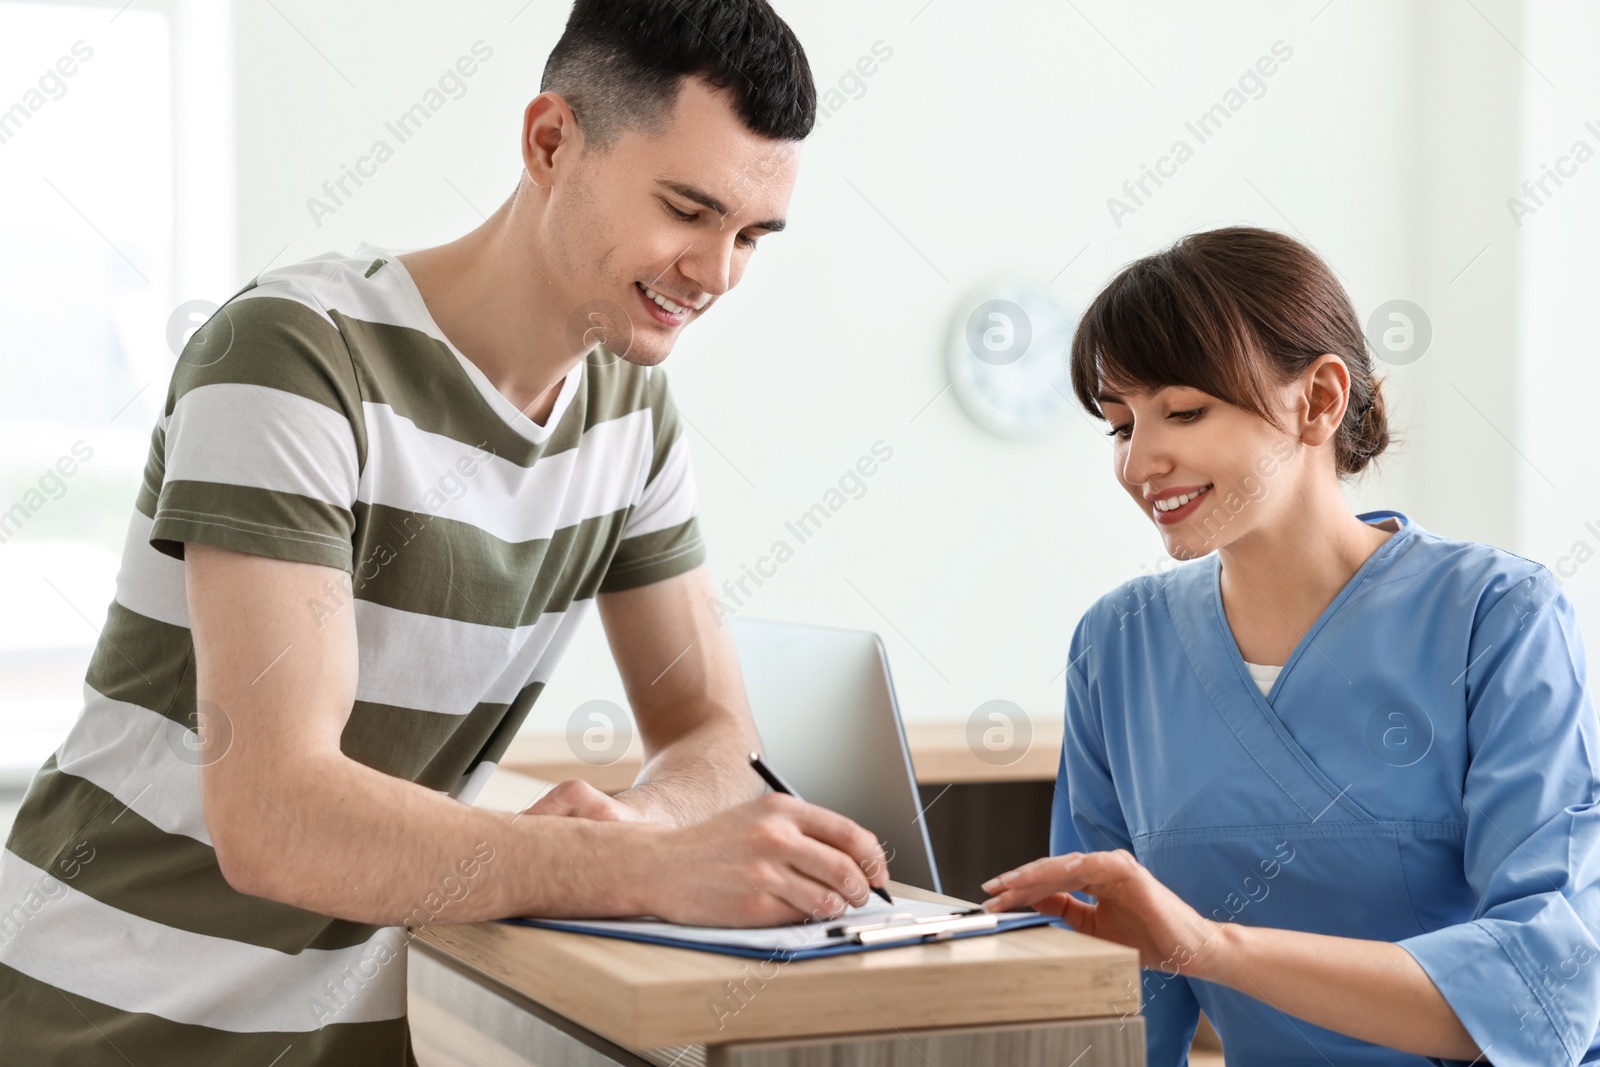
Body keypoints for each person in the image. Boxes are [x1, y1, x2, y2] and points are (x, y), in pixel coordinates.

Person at [0, 2, 890, 1062]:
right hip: (93, 1030)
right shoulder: (290, 357)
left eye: (748, 235)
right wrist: (643, 867)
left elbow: (712, 734)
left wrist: (642, 823)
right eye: (687, 210)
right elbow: (277, 811)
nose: (716, 271)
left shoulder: (628, 418)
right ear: (550, 140)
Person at [981, 227, 1600, 1066]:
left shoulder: (1497, 615)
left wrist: (1208, 946)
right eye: (1120, 426)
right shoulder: (1117, 644)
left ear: (1318, 400)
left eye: (1185, 411)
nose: (1140, 462)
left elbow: (1546, 988)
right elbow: (1120, 987)